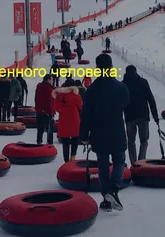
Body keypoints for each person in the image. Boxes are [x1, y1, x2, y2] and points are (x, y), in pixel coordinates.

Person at [79, 54, 130, 212]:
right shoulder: (121, 87)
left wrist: (84, 136)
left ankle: (106, 199)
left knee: (102, 164)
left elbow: (86, 114)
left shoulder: (92, 90)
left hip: (98, 131)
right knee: (119, 160)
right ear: (111, 67)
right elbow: (126, 104)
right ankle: (114, 189)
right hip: (116, 130)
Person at [122, 65, 159, 164]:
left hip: (129, 117)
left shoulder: (123, 84)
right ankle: (141, 163)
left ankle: (134, 163)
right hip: (143, 116)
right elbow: (151, 99)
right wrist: (155, 116)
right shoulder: (143, 82)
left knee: (131, 141)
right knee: (144, 141)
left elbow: (119, 103)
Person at [52, 79, 83, 162]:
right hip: (74, 119)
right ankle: (73, 157)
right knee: (75, 139)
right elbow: (80, 106)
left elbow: (57, 108)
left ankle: (66, 160)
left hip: (64, 120)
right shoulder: (76, 95)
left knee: (65, 142)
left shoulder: (58, 96)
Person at [35, 74, 55, 144]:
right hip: (48, 112)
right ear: (48, 80)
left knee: (40, 129)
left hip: (39, 111)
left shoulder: (39, 86)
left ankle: (39, 142)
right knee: (49, 129)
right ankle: (49, 144)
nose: (52, 81)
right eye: (51, 79)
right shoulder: (50, 88)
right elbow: (51, 99)